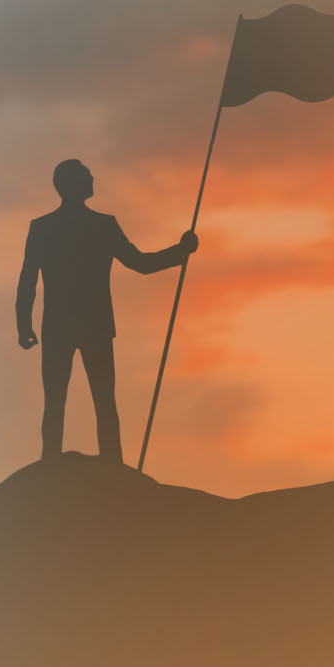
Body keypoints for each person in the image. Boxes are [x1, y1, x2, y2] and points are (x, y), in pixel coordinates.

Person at [16, 159, 197, 463]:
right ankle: (68, 465)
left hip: (74, 327)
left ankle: (102, 466)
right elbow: (28, 280)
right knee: (77, 401)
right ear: (73, 184)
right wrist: (23, 325)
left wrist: (180, 252)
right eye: (86, 175)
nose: (92, 178)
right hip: (84, 326)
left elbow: (139, 263)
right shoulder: (87, 226)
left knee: (88, 401)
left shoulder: (59, 227)